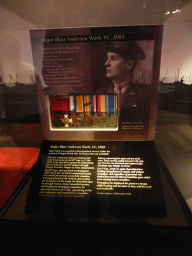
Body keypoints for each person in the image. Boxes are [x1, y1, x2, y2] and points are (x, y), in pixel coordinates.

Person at [98, 41, 151, 125]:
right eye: (107, 58)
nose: (106, 63)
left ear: (129, 64)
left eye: (113, 58)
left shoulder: (143, 95)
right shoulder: (101, 92)